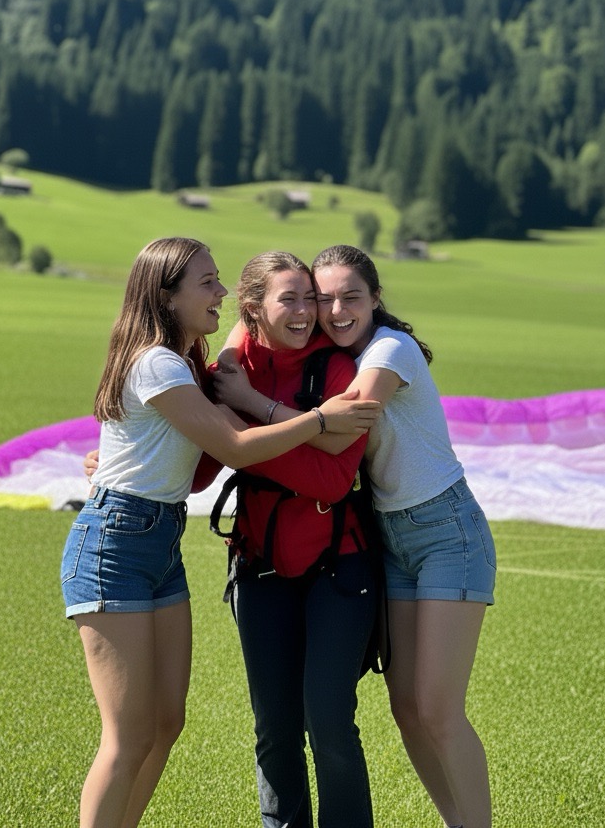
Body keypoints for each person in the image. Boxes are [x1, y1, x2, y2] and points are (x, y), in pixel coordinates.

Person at [60, 237, 380, 828]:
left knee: (165, 724)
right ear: (167, 295)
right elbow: (230, 447)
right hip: (118, 541)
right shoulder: (161, 363)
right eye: (207, 282)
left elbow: (231, 369)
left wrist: (248, 398)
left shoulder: (192, 361)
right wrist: (318, 420)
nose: (221, 291)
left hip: (160, 541)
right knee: (128, 738)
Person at [219, 244, 495, 828]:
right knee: (407, 710)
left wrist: (248, 402)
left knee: (438, 711)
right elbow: (246, 332)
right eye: (324, 299)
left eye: (351, 297)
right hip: (389, 535)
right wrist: (229, 358)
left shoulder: (387, 351)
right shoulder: (336, 349)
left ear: (376, 299)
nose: (335, 310)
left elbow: (337, 436)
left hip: (445, 532)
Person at [210, 250, 377, 828]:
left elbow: (333, 479)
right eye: (291, 299)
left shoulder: (337, 369)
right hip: (259, 565)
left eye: (311, 298)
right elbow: (200, 463)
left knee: (328, 722)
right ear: (253, 307)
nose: (308, 311)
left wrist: (243, 436)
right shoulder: (231, 368)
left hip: (340, 566)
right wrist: (110, 464)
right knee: (275, 728)